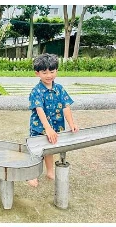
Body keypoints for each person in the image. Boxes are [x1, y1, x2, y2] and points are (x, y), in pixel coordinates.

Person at [27, 53, 78, 187]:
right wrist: (47, 128)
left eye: (52, 71)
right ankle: (32, 175)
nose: (49, 75)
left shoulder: (59, 89)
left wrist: (71, 123)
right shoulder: (36, 91)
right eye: (44, 72)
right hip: (39, 127)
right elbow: (39, 109)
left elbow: (66, 107)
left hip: (55, 126)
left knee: (49, 149)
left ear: (56, 71)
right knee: (37, 151)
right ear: (37, 73)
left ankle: (50, 172)